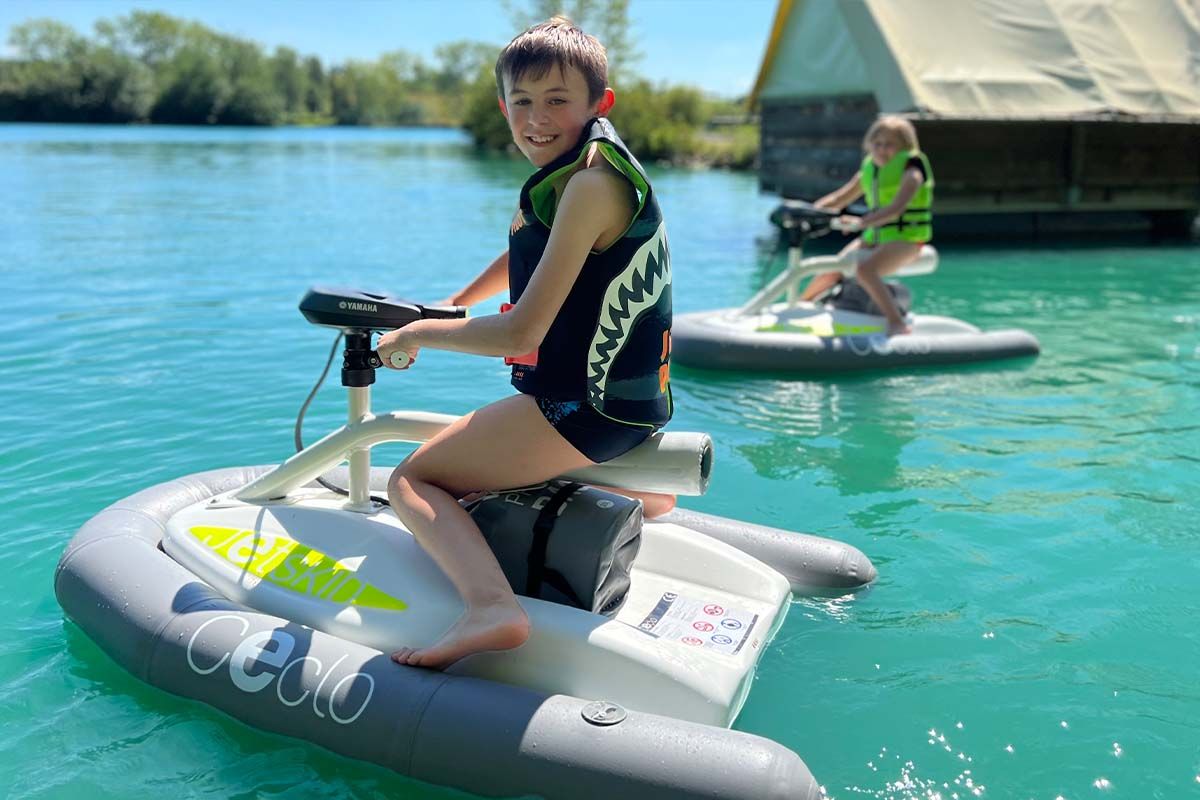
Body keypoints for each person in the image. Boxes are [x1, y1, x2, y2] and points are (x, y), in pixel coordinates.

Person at [374, 17, 675, 670]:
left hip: (585, 411)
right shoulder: (584, 171)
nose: (536, 119)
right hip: (630, 408)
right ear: (503, 106)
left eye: (557, 101)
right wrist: (457, 303)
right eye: (522, 102)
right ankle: (643, 494)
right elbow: (529, 249)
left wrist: (421, 332)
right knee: (472, 441)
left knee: (413, 477)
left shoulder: (591, 187)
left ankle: (490, 608)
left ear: (601, 103)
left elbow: (521, 333)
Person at [800, 115, 934, 336]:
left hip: (907, 238)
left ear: (905, 147)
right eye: (877, 144)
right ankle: (799, 306)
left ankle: (896, 323)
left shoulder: (912, 173)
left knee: (865, 270)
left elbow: (896, 209)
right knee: (833, 267)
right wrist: (808, 212)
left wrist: (860, 223)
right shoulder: (869, 172)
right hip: (875, 235)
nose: (882, 150)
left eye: (889, 145)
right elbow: (838, 199)